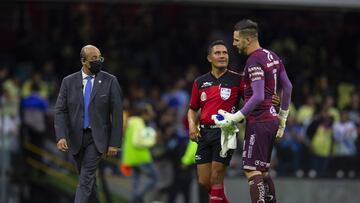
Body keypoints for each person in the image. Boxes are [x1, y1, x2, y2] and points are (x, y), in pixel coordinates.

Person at [214, 19, 292, 203]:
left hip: (259, 121)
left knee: (252, 170)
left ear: (247, 40)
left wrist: (235, 118)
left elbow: (257, 96)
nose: (233, 44)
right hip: (271, 119)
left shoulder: (254, 60)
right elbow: (287, 87)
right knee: (263, 171)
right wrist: (282, 117)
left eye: (236, 40)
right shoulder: (272, 56)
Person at [54, 45, 123, 203]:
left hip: (97, 138)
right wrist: (61, 137)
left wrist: (114, 143)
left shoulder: (110, 80)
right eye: (93, 59)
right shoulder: (68, 82)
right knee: (88, 181)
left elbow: (117, 114)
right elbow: (60, 111)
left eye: (99, 58)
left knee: (86, 178)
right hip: (76, 138)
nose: (98, 61)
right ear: (83, 61)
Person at [188, 40, 244, 203]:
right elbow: (192, 108)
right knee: (204, 181)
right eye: (218, 53)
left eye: (225, 53)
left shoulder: (238, 80)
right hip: (204, 133)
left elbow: (251, 101)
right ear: (209, 58)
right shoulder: (200, 82)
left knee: (216, 176)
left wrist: (271, 102)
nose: (222, 56)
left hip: (225, 132)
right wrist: (192, 125)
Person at [121, 103, 159, 203]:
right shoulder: (138, 123)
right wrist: (151, 141)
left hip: (130, 157)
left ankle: (135, 199)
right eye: (149, 113)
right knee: (155, 177)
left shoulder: (131, 122)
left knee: (136, 182)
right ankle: (138, 196)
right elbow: (136, 142)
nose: (150, 115)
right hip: (140, 157)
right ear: (143, 113)